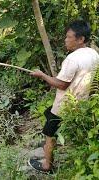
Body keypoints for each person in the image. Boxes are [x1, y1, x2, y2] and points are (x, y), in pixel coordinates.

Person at [28, 20, 99, 173]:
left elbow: (61, 84)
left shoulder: (72, 59)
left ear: (81, 39)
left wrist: (42, 75)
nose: (65, 40)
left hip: (64, 105)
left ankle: (47, 165)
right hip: (81, 103)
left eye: (69, 37)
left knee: (49, 133)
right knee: (50, 115)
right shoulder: (94, 53)